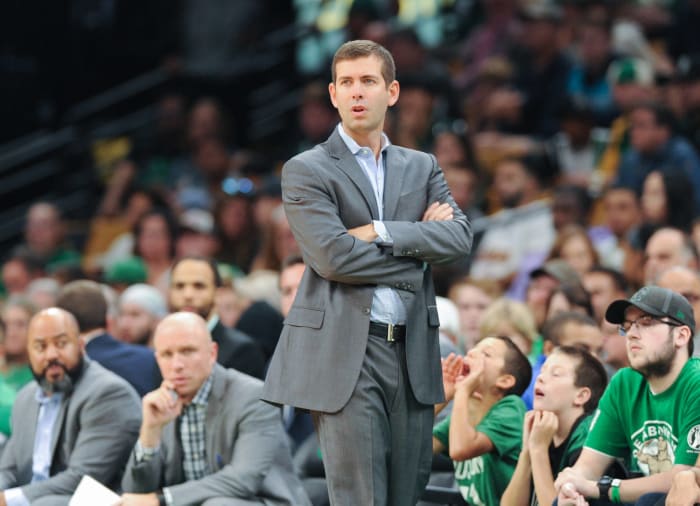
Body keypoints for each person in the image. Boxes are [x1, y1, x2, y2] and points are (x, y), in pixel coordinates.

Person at [262, 39, 473, 505]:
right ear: (333, 95)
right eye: (347, 83)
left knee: (405, 495)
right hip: (346, 354)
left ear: (391, 92)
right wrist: (418, 245)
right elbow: (333, 258)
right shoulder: (306, 169)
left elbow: (458, 240)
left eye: (368, 81)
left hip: (415, 349)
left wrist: (378, 230)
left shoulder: (423, 166)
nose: (357, 92)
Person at [120, 312, 310, 506]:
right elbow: (135, 493)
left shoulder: (253, 397)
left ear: (212, 353)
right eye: (167, 355)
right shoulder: (162, 403)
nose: (177, 365)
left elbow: (243, 479)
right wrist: (150, 433)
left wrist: (163, 499)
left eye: (187, 351)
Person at [555, 286, 700, 504]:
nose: (631, 334)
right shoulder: (624, 383)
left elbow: (684, 481)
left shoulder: (695, 384)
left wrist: (603, 488)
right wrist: (571, 487)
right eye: (627, 326)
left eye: (646, 323)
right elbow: (587, 468)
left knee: (652, 500)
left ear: (681, 335)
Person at [0, 308, 141, 505]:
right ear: (29, 353)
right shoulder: (26, 397)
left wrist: (8, 499)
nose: (51, 354)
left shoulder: (108, 393)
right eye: (40, 347)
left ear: (81, 345)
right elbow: (9, 469)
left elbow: (83, 478)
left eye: (61, 344)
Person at [501, 346, 608, 506]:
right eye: (543, 371)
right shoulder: (543, 432)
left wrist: (538, 450)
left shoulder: (588, 438)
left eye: (556, 374)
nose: (540, 378)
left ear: (581, 395)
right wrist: (527, 453)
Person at [432, 336, 531, 505]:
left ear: (505, 380)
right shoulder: (466, 415)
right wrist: (443, 398)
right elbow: (413, 451)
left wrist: (462, 391)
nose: (471, 353)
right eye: (474, 348)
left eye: (486, 354)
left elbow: (460, 450)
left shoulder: (511, 409)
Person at [56, 280, 161, 397]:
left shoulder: (64, 369)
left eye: (135, 315)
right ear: (108, 321)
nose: (126, 324)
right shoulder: (151, 358)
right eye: (123, 314)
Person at [168, 256, 266, 379]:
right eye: (179, 286)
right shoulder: (162, 348)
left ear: (217, 294)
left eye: (199, 286)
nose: (188, 295)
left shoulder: (243, 351)